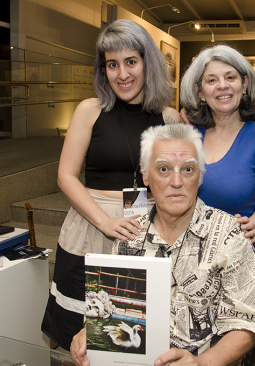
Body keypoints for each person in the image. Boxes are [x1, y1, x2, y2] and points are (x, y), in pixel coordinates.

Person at [70, 123, 255, 366]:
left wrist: (203, 363)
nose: (176, 181)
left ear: (200, 176)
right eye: (163, 169)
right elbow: (109, 310)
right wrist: (89, 334)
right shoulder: (129, 235)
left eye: (188, 169)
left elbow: (252, 320)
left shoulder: (228, 235)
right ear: (145, 176)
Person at [41, 19, 180, 351]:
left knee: (131, 335)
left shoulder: (170, 117)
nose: (122, 73)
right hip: (91, 226)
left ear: (148, 62)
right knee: (81, 336)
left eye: (131, 61)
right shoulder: (90, 110)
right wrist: (105, 222)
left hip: (144, 229)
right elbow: (65, 176)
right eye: (112, 65)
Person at [179, 45, 255, 253]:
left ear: (244, 84)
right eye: (211, 80)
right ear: (200, 92)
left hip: (237, 256)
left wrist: (249, 227)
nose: (222, 86)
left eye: (230, 77)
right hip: (188, 256)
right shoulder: (189, 137)